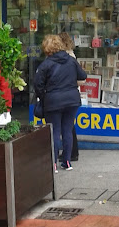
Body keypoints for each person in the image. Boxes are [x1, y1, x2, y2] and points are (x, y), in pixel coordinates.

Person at [34, 34, 87, 172]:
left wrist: (43, 97)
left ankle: (53, 164)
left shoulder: (46, 64)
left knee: (55, 132)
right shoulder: (71, 60)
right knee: (67, 130)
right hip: (72, 99)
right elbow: (83, 76)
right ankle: (67, 162)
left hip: (53, 101)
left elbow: (38, 84)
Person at [58, 32, 84, 162]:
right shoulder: (70, 55)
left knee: (67, 126)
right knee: (68, 125)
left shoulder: (67, 56)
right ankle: (71, 152)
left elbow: (80, 78)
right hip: (71, 94)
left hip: (67, 93)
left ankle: (71, 152)